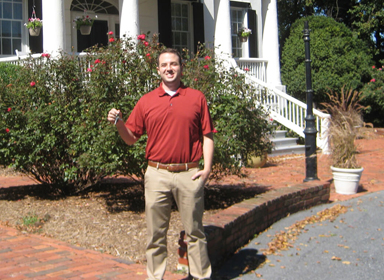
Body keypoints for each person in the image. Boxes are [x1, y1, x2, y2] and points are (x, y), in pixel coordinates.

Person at [107, 48, 214, 280]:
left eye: (174, 64)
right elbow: (131, 139)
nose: (169, 68)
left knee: (195, 232)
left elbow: (207, 135)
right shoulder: (146, 101)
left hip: (189, 173)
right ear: (158, 69)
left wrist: (206, 169)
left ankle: (201, 276)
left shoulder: (197, 98)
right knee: (156, 234)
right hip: (157, 174)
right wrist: (119, 123)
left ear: (181, 67)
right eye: (164, 65)